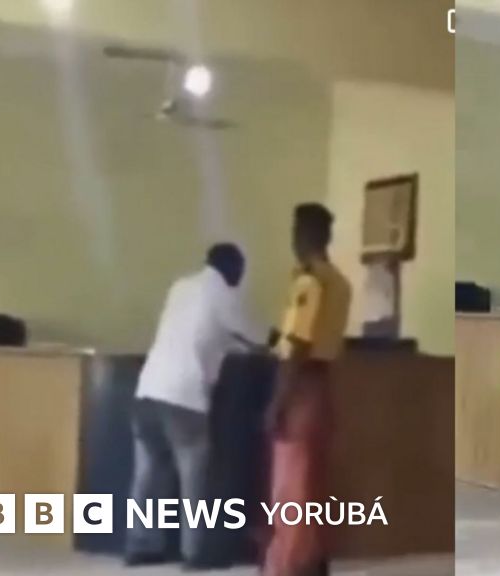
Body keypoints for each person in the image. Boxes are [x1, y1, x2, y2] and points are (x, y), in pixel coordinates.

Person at [126, 243, 264, 569]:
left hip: (147, 390)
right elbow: (255, 336)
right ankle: (195, 552)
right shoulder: (222, 294)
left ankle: (141, 546)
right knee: (193, 477)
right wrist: (275, 338)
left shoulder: (181, 287)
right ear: (232, 269)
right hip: (184, 396)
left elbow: (205, 333)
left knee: (148, 473)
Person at [263, 203, 351, 576]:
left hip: (301, 387)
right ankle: (313, 563)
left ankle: (287, 566)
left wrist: (277, 402)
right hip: (324, 384)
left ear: (305, 235)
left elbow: (299, 345)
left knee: (291, 486)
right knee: (314, 483)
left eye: (296, 232)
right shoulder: (339, 282)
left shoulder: (308, 281)